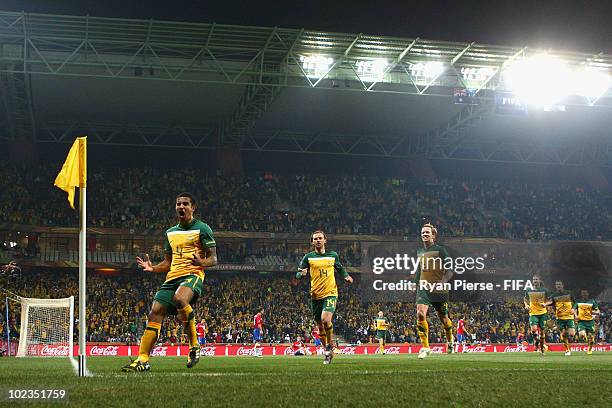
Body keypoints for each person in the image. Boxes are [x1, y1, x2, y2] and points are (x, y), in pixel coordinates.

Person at [122, 192, 217, 372]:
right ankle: (143, 359)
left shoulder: (203, 229)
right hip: (172, 276)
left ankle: (194, 346)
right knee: (155, 312)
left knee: (180, 299)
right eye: (178, 204)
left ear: (193, 207)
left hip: (193, 274)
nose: (181, 207)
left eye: (185, 204)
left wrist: (201, 262)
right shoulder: (170, 232)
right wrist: (153, 268)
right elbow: (167, 263)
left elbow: (213, 259)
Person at [297, 230, 353, 364]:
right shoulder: (308, 257)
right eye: (315, 238)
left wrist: (346, 276)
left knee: (325, 319)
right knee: (320, 327)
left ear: (325, 240)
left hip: (330, 293)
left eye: (320, 238)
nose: (318, 240)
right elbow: (298, 274)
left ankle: (329, 345)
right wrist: (301, 274)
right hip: (316, 295)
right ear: (312, 242)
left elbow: (339, 268)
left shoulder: (333, 255)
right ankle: (327, 352)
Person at [414, 223, 454, 359]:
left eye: (427, 232)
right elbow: (419, 269)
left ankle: (450, 341)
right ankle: (425, 347)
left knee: (443, 318)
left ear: (433, 235)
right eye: (423, 232)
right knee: (420, 313)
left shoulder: (440, 250)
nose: (424, 234)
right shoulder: (420, 251)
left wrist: (442, 282)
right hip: (424, 287)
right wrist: (415, 283)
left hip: (439, 290)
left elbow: (450, 269)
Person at [523, 275, 551, 355]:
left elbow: (550, 300)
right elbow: (525, 299)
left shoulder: (545, 290)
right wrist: (526, 305)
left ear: (539, 280)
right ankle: (537, 342)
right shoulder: (528, 289)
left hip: (543, 313)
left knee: (542, 333)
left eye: (536, 279)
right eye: (533, 279)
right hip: (533, 313)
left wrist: (545, 304)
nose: (535, 281)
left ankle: (542, 349)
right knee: (534, 330)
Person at [551, 280, 575, 356]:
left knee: (572, 334)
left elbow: (575, 302)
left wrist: (573, 309)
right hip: (560, 318)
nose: (558, 286)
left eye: (559, 284)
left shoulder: (569, 293)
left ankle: (568, 332)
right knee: (563, 335)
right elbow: (552, 304)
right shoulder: (554, 295)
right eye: (556, 284)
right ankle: (567, 350)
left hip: (569, 317)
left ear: (562, 285)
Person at [574, 289, 599, 355]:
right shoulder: (578, 301)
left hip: (590, 322)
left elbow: (598, 311)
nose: (584, 294)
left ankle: (590, 349)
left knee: (591, 338)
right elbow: (573, 309)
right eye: (583, 293)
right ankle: (586, 338)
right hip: (581, 321)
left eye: (585, 293)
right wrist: (576, 315)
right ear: (581, 294)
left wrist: (592, 311)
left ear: (588, 294)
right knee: (581, 335)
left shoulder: (592, 301)